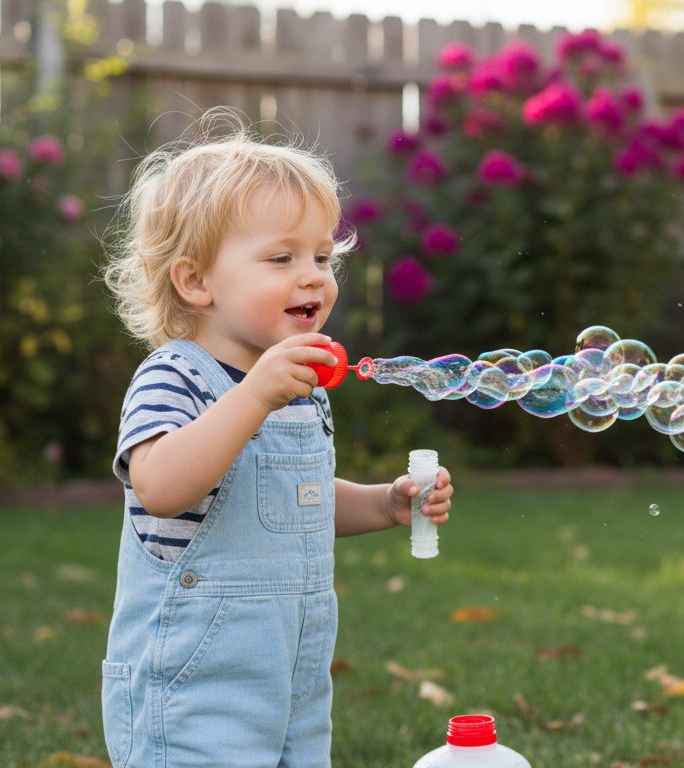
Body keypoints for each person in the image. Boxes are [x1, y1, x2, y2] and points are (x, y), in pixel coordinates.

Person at [99, 110, 454, 767]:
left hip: (291, 686)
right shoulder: (173, 378)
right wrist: (254, 395)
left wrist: (384, 504)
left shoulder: (299, 386)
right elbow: (162, 489)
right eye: (282, 257)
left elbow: (297, 499)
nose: (314, 274)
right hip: (192, 694)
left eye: (322, 255)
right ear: (196, 280)